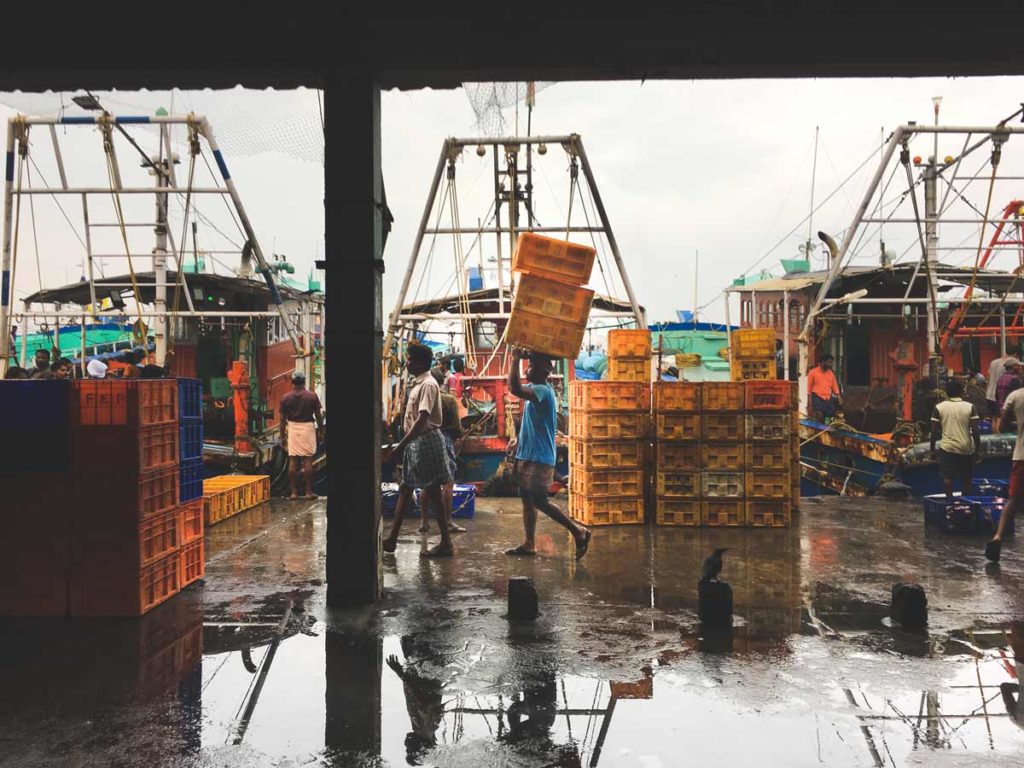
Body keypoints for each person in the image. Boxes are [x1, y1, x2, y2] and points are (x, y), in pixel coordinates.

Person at [506, 348, 591, 560]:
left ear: (545, 370)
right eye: (529, 364)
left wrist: (516, 358)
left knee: (539, 500)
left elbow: (513, 387)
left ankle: (578, 531)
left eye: (533, 366)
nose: (528, 368)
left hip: (539, 457)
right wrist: (519, 440)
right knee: (526, 497)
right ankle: (529, 543)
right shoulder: (537, 388)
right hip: (528, 454)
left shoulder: (542, 390)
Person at [383, 342, 455, 558]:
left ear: (420, 363)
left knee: (432, 490)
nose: (407, 362)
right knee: (406, 489)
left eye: (410, 359)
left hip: (425, 441)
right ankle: (392, 539)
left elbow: (423, 419)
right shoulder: (419, 383)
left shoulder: (429, 385)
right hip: (416, 443)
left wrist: (401, 445)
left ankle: (446, 543)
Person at [418, 369, 467, 535]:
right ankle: (448, 521)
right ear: (442, 382)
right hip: (445, 439)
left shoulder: (424, 397)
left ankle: (424, 522)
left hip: (426, 438)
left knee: (427, 482)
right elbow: (456, 426)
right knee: (448, 483)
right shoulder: (448, 400)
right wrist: (459, 435)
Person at [988, 384, 1024, 561]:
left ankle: (998, 535)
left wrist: (1019, 424)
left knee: (1014, 499)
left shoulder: (1015, 396)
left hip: (1021, 455)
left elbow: (1002, 426)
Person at [930, 378, 981, 500]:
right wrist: (977, 450)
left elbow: (933, 431)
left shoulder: (939, 407)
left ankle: (949, 501)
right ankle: (966, 501)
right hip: (966, 447)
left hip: (947, 447)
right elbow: (975, 431)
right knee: (966, 478)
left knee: (947, 478)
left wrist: (932, 450)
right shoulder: (970, 407)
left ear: (947, 392)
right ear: (961, 392)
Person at [279, 371, 324, 500]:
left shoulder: (285, 398)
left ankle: (293, 493)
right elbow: (319, 416)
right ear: (304, 382)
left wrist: (282, 436)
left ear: (292, 382)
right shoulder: (312, 396)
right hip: (308, 427)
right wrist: (321, 431)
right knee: (307, 460)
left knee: (293, 460)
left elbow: (282, 420)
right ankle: (309, 492)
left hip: (293, 427)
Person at [807, 353, 841, 422]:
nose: (830, 365)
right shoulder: (813, 372)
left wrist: (839, 396)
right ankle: (819, 430)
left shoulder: (831, 373)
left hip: (828, 397)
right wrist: (809, 401)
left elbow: (835, 386)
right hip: (817, 397)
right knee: (819, 415)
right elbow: (809, 388)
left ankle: (826, 430)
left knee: (828, 416)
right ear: (823, 362)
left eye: (831, 363)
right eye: (829, 363)